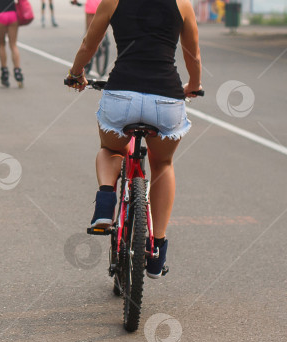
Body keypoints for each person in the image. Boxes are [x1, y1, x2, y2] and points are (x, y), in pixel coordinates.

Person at [66, 0, 202, 278]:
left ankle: (105, 202)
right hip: (166, 100)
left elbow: (88, 46)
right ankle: (157, 251)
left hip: (121, 96)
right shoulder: (183, 5)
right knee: (163, 164)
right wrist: (194, 85)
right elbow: (194, 56)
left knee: (109, 149)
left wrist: (75, 74)